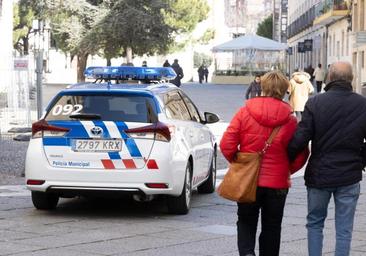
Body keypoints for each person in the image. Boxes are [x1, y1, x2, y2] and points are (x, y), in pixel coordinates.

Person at [220, 71, 309, 256]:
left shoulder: (244, 112)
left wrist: (240, 164)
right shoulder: (291, 120)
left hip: (247, 180)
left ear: (262, 87)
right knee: (272, 226)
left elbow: (226, 144)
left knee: (245, 221)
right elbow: (302, 153)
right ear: (285, 90)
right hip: (277, 182)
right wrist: (286, 169)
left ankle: (247, 254)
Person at [287, 61, 366, 256]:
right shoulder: (363, 104)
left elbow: (301, 138)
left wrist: (286, 159)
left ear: (329, 77)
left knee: (314, 223)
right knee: (344, 228)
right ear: (352, 79)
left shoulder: (315, 103)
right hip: (349, 175)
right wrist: (361, 160)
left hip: (319, 174)